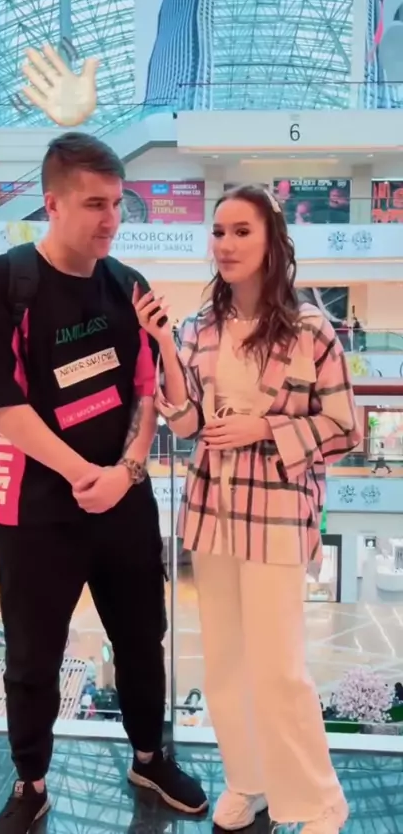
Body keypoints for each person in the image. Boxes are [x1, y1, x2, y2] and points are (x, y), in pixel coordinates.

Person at [0, 131, 207, 834]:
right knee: (33, 655)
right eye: (96, 204)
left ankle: (149, 757)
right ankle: (31, 782)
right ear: (53, 204)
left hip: (123, 501)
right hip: (36, 508)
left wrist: (125, 471)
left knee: (142, 637)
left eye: (118, 204)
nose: (111, 220)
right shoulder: (4, 285)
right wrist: (79, 473)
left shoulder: (128, 284)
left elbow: (146, 392)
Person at [134, 184, 361, 833]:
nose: (226, 244)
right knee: (226, 665)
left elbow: (345, 426)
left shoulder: (310, 329)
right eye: (219, 232)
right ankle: (248, 781)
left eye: (241, 232)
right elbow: (185, 423)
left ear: (271, 243)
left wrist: (266, 428)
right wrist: (163, 345)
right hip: (212, 511)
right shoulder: (197, 328)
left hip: (278, 515)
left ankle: (320, 801)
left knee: (279, 668)